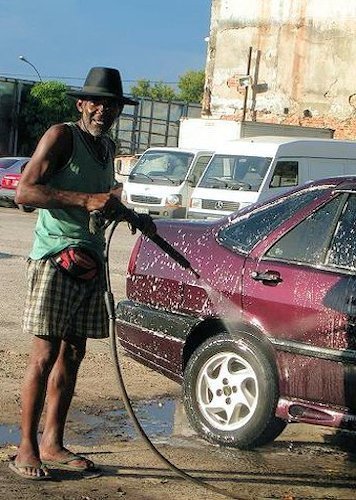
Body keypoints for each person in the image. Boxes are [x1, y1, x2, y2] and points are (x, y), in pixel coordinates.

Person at [10, 67, 156, 480]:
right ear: (81, 103)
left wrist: (131, 215)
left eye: (111, 105)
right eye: (96, 102)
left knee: (73, 353)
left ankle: (53, 443)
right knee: (44, 355)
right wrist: (85, 199)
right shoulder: (62, 136)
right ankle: (26, 449)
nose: (103, 110)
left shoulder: (107, 148)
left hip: (89, 260)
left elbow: (103, 201)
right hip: (56, 257)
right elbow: (25, 192)